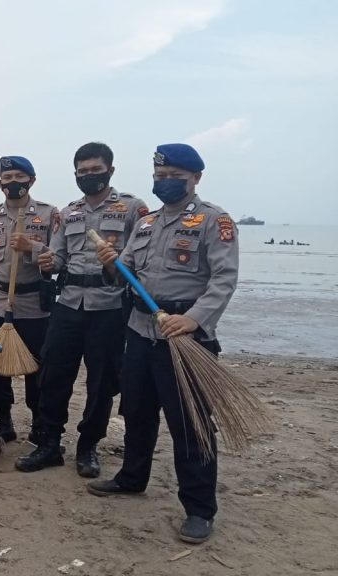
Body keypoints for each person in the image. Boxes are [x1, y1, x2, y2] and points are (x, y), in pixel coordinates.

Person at [87, 143, 238, 544]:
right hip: (140, 330)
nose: (165, 183)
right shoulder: (148, 222)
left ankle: (199, 509)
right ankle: (131, 478)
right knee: (136, 412)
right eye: (159, 176)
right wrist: (111, 263)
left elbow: (223, 280)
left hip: (185, 337)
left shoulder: (213, 220)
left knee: (190, 425)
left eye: (174, 176)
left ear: (195, 178)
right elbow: (127, 275)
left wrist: (193, 319)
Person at [18, 142, 148, 477]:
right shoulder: (70, 212)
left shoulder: (133, 209)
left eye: (95, 169)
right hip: (69, 303)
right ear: (75, 174)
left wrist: (117, 265)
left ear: (110, 170)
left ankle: (88, 446)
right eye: (82, 171)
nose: (89, 176)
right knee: (52, 373)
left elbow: (143, 262)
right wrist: (44, 258)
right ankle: (49, 443)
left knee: (102, 380)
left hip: (109, 306)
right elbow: (58, 258)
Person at [0, 156, 58, 441]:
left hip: (33, 305)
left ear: (31, 180)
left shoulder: (49, 215)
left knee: (37, 369)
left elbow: (58, 258)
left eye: (19, 177)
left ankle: (38, 424)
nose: (13, 183)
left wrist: (32, 247)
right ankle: (3, 421)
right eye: (7, 178)